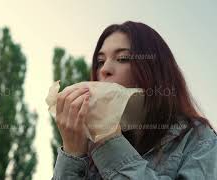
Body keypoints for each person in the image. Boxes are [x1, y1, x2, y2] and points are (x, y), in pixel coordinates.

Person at [52, 21, 217, 179]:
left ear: (154, 70)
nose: (105, 70)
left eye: (123, 58)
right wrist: (72, 154)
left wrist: (110, 142)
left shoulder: (200, 141)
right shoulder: (90, 146)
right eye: (100, 62)